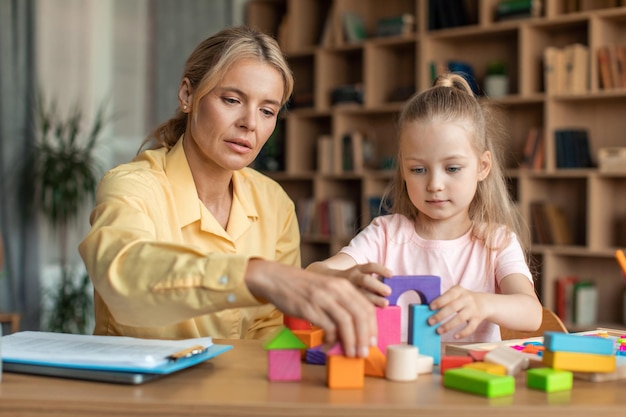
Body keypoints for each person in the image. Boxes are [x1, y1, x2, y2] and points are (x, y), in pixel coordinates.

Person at [78, 26, 377, 358]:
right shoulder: (132, 185)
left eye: (267, 111)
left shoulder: (274, 202)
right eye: (232, 100)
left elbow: (270, 330)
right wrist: (255, 275)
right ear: (187, 95)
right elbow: (124, 278)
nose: (250, 123)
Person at [307, 73, 543, 343]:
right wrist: (345, 277)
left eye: (452, 168)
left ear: (483, 166)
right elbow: (313, 273)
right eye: (418, 169)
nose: (434, 184)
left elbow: (531, 313)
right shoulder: (385, 234)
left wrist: (483, 304)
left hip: (467, 381)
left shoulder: (496, 242)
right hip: (396, 381)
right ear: (403, 170)